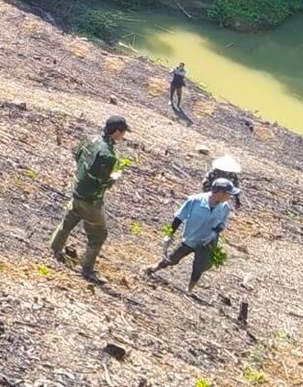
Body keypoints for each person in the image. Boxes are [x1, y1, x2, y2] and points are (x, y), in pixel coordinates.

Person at [49, 115, 130, 282]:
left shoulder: (91, 140)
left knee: (67, 223)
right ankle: (87, 269)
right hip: (91, 200)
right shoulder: (108, 155)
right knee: (98, 235)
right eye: (122, 132)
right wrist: (114, 177)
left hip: (77, 190)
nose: (123, 135)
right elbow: (102, 182)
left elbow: (77, 157)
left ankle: (54, 250)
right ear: (116, 131)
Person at [145, 179, 236, 291]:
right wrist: (169, 234)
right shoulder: (195, 201)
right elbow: (179, 218)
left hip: (206, 243)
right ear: (220, 193)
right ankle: (155, 268)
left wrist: (213, 234)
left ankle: (190, 289)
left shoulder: (224, 207)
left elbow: (221, 225)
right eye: (228, 194)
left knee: (200, 266)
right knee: (173, 258)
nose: (230, 197)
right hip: (190, 238)